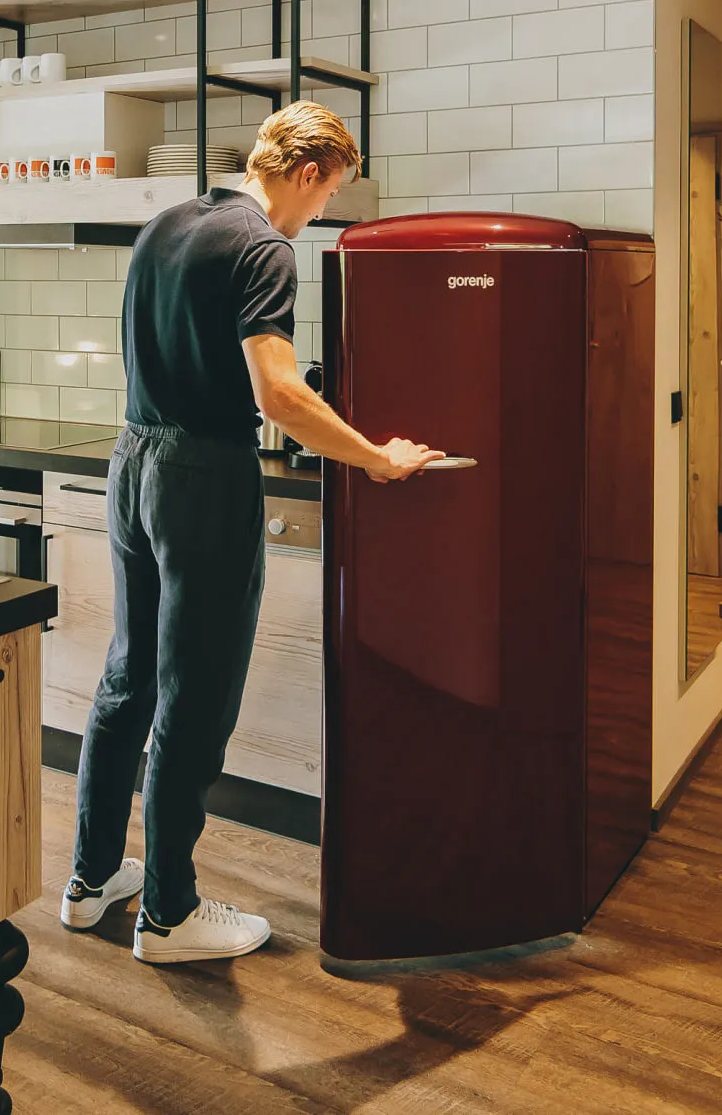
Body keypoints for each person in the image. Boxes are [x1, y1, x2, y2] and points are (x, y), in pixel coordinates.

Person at [62, 101, 443, 964]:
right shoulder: (264, 245)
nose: (320, 215)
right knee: (195, 695)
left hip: (133, 461)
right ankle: (168, 914)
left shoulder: (163, 226)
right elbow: (276, 393)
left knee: (128, 680)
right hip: (201, 476)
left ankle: (89, 884)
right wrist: (374, 457)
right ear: (308, 174)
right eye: (329, 196)